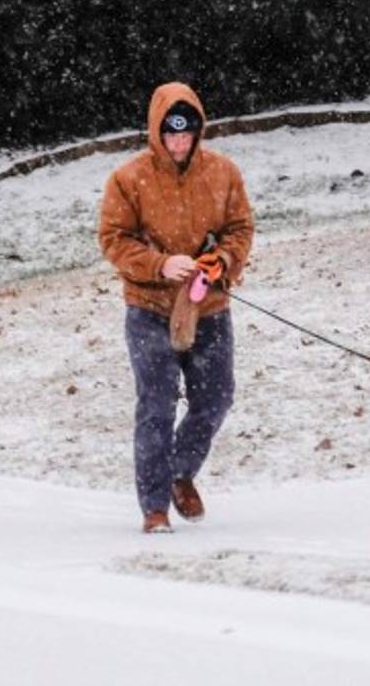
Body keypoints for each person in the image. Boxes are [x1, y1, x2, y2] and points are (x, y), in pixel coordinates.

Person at [98, 82, 254, 533]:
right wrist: (160, 265)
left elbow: (241, 228)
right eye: (171, 134)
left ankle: (179, 471)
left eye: (187, 134)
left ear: (199, 130)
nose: (180, 143)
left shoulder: (223, 173)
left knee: (217, 397)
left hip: (211, 308)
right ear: (156, 131)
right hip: (149, 308)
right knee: (157, 405)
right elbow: (113, 239)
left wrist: (222, 260)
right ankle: (154, 508)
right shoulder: (127, 180)